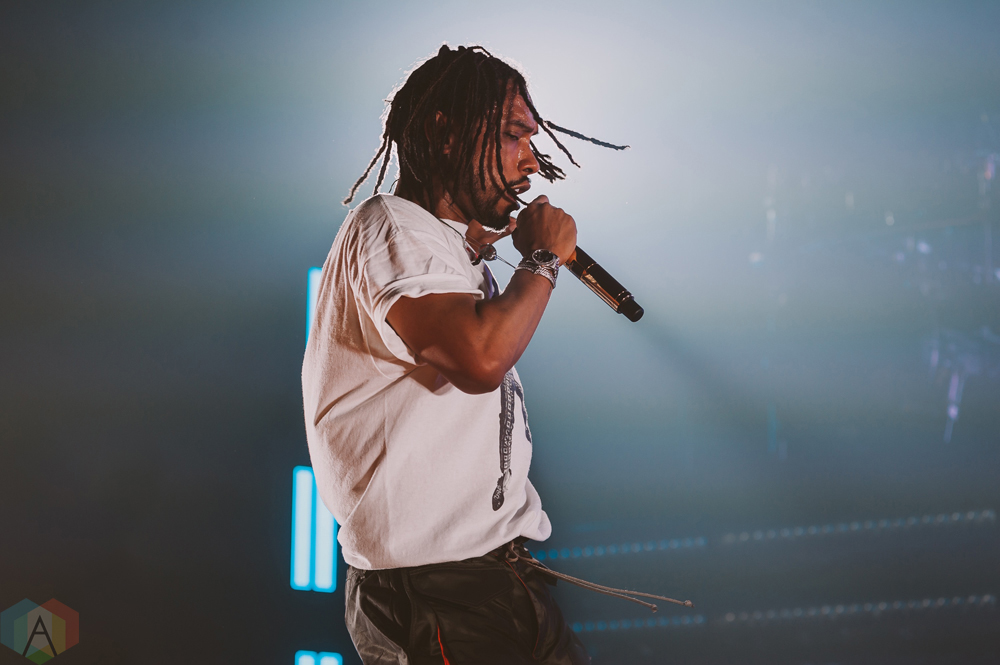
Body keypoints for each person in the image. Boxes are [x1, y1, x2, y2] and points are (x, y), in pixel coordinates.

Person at [302, 44, 626, 664]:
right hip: (436, 588)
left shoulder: (442, 247)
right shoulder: (391, 225)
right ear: (444, 133)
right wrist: (542, 259)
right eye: (512, 135)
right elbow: (480, 360)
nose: (530, 159)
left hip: (499, 573)